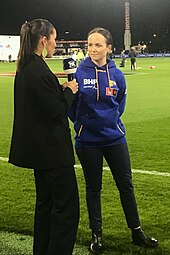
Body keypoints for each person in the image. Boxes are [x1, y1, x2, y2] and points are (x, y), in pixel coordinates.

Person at [68, 27, 159, 253]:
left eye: (98, 45)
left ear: (109, 48)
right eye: (90, 45)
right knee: (93, 188)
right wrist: (81, 126)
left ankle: (137, 231)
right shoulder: (79, 72)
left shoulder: (117, 74)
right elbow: (71, 106)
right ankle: (96, 235)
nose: (93, 49)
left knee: (126, 186)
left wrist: (110, 122)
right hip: (87, 142)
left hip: (114, 139)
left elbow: (120, 104)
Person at [9, 19, 79, 255]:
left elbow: (41, 103)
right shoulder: (38, 69)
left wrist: (58, 90)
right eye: (54, 39)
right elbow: (57, 112)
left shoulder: (27, 67)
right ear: (43, 40)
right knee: (66, 210)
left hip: (40, 154)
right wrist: (69, 91)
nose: (55, 44)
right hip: (54, 154)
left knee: (45, 207)